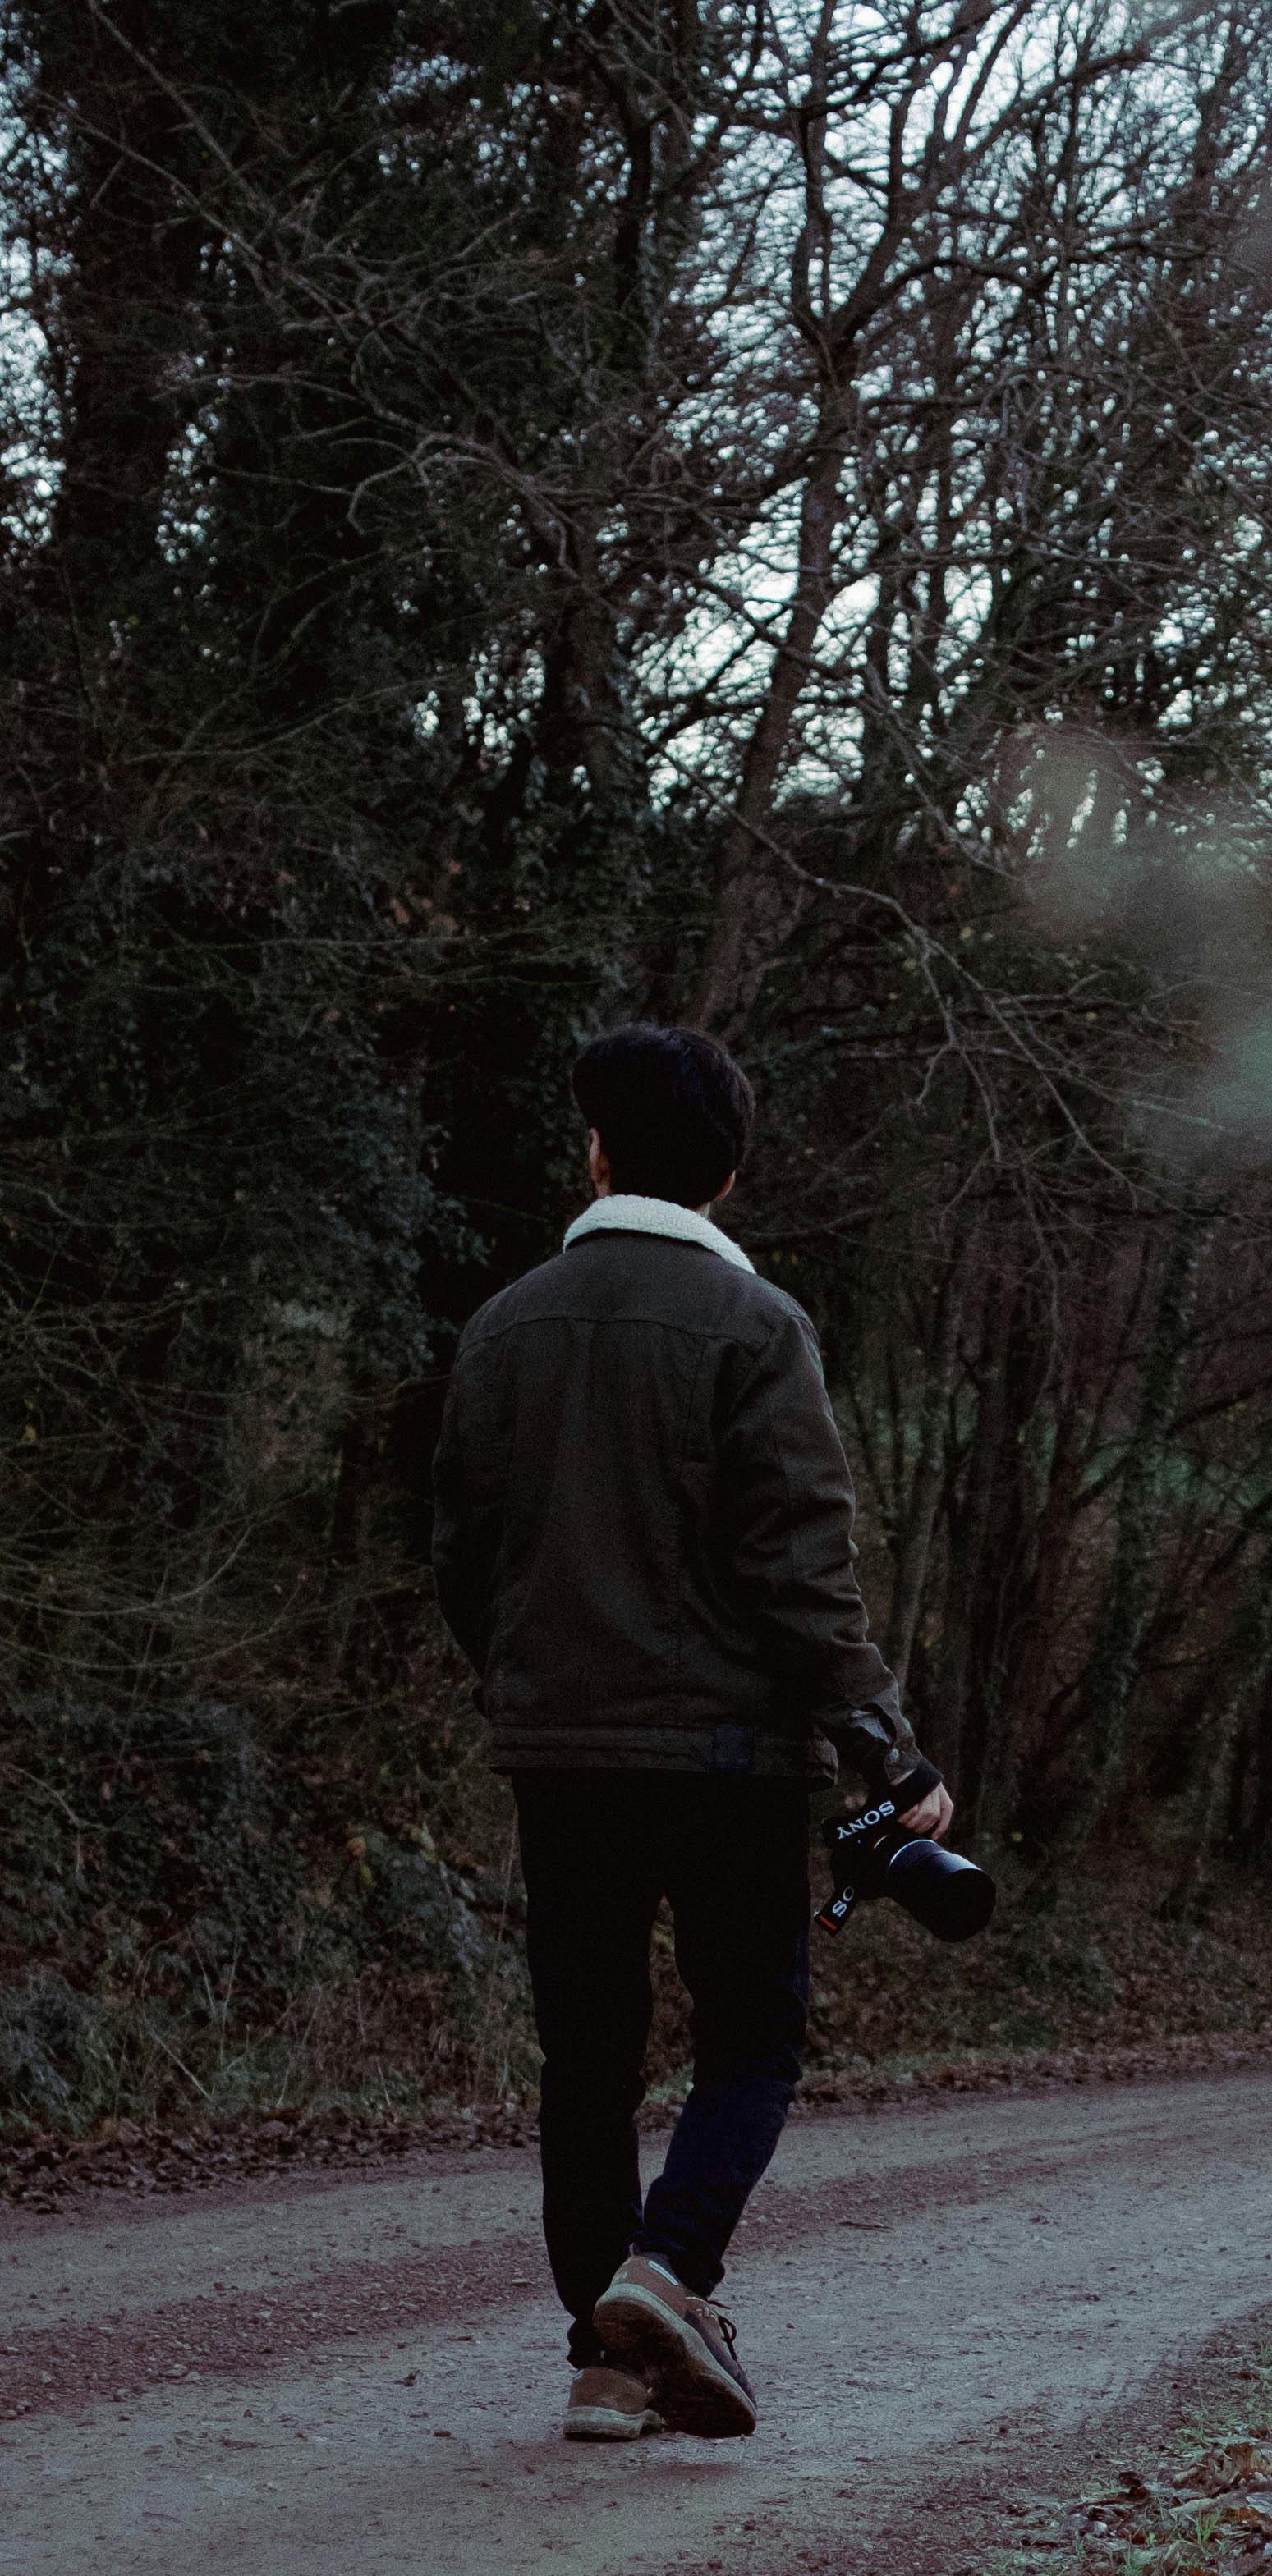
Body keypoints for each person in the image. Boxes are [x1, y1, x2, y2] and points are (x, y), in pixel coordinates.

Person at [430, 1019, 953, 2445]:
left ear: (600, 1155)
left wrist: (534, 1685)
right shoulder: (758, 1328)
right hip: (731, 1760)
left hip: (564, 1758)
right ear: (726, 1177)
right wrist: (889, 1754)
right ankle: (666, 2276)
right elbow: (801, 1572)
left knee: (588, 2058)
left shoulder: (505, 1325)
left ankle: (607, 2360)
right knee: (753, 2045)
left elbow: (463, 1560)